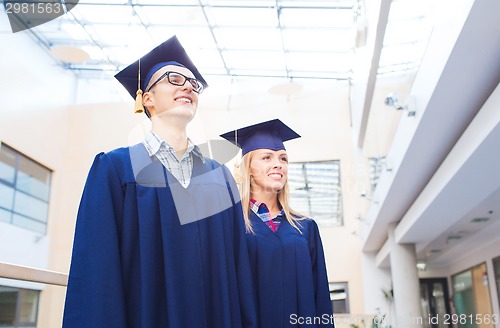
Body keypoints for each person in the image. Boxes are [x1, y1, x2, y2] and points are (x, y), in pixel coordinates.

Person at [62, 36, 256, 328]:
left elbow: (238, 268)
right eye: (175, 79)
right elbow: (96, 267)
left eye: (194, 84)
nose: (188, 86)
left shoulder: (220, 177)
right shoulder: (116, 168)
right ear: (147, 98)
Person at [221, 119, 334, 327]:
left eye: (283, 159)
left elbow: (321, 298)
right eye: (266, 157)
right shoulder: (232, 224)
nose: (278, 164)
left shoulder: (305, 228)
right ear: (248, 169)